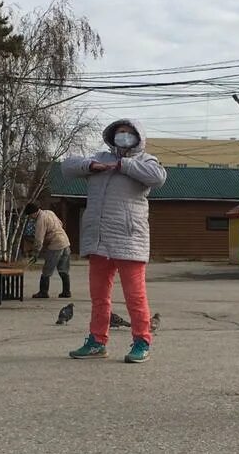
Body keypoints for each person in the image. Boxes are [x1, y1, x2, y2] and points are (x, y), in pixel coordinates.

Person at [61, 118, 166, 364]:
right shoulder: (100, 158)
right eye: (120, 133)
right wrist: (91, 166)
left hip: (130, 238)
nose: (124, 136)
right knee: (98, 295)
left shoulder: (144, 161)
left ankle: (142, 341)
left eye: (129, 133)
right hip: (99, 239)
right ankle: (97, 341)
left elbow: (159, 177)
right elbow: (67, 167)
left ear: (138, 138)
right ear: (112, 136)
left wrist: (124, 165)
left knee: (135, 296)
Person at [23, 202, 72, 298]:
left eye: (30, 216)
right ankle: (66, 291)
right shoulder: (49, 212)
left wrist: (35, 253)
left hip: (55, 245)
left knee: (47, 270)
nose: (30, 218)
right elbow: (60, 223)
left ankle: (43, 292)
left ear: (33, 213)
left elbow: (38, 239)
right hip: (65, 242)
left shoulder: (40, 221)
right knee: (63, 269)